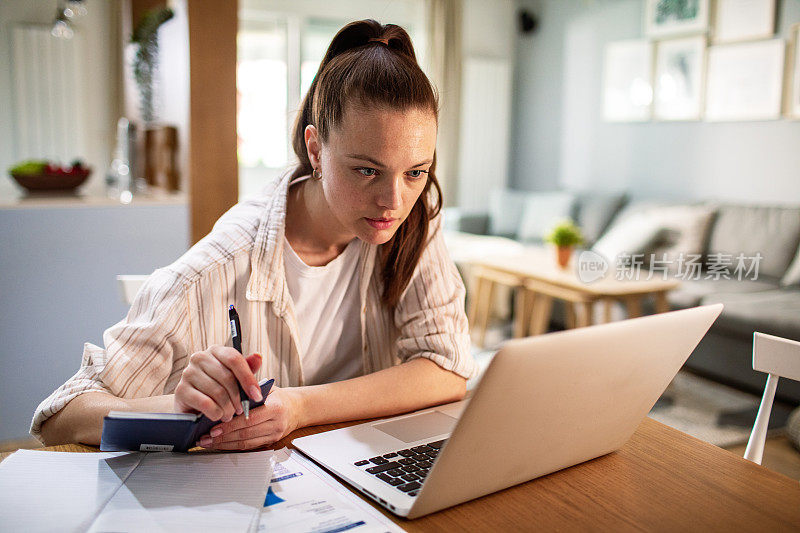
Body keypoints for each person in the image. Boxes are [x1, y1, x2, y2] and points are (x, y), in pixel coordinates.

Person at [34, 19, 476, 450]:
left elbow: (449, 367)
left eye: (416, 172)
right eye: (366, 170)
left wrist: (299, 407)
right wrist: (177, 406)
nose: (394, 201)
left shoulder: (413, 224)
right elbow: (61, 416)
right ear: (316, 149)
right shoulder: (218, 265)